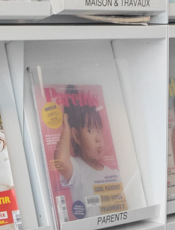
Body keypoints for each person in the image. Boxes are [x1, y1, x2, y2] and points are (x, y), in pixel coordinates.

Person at [50, 89, 125, 220]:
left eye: (99, 130)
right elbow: (61, 160)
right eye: (90, 130)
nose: (98, 138)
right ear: (77, 136)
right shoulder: (77, 168)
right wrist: (66, 130)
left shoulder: (113, 174)